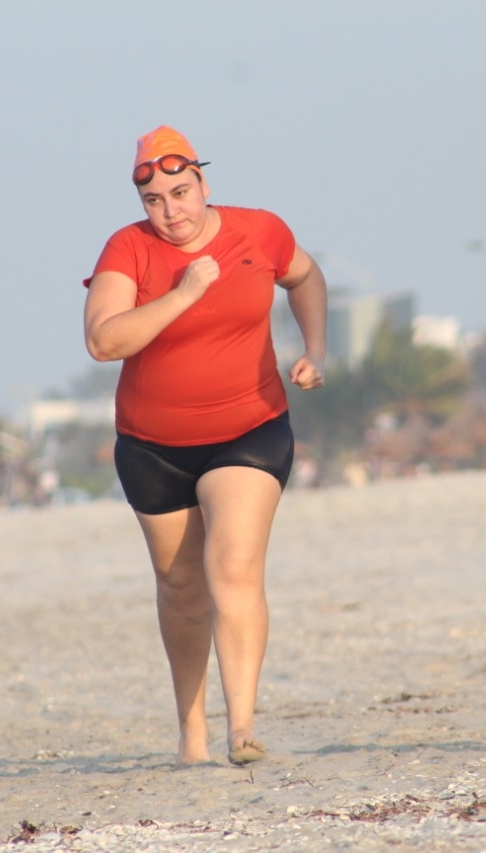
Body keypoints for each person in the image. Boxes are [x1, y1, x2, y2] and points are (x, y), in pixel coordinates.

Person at [84, 126, 327, 767]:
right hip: (151, 446)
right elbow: (104, 341)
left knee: (233, 569)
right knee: (180, 586)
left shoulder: (260, 231)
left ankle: (241, 726)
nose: (172, 212)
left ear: (204, 183)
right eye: (155, 201)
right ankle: (192, 730)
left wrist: (315, 349)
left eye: (181, 192)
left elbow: (305, 276)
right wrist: (183, 292)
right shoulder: (127, 251)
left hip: (248, 430)